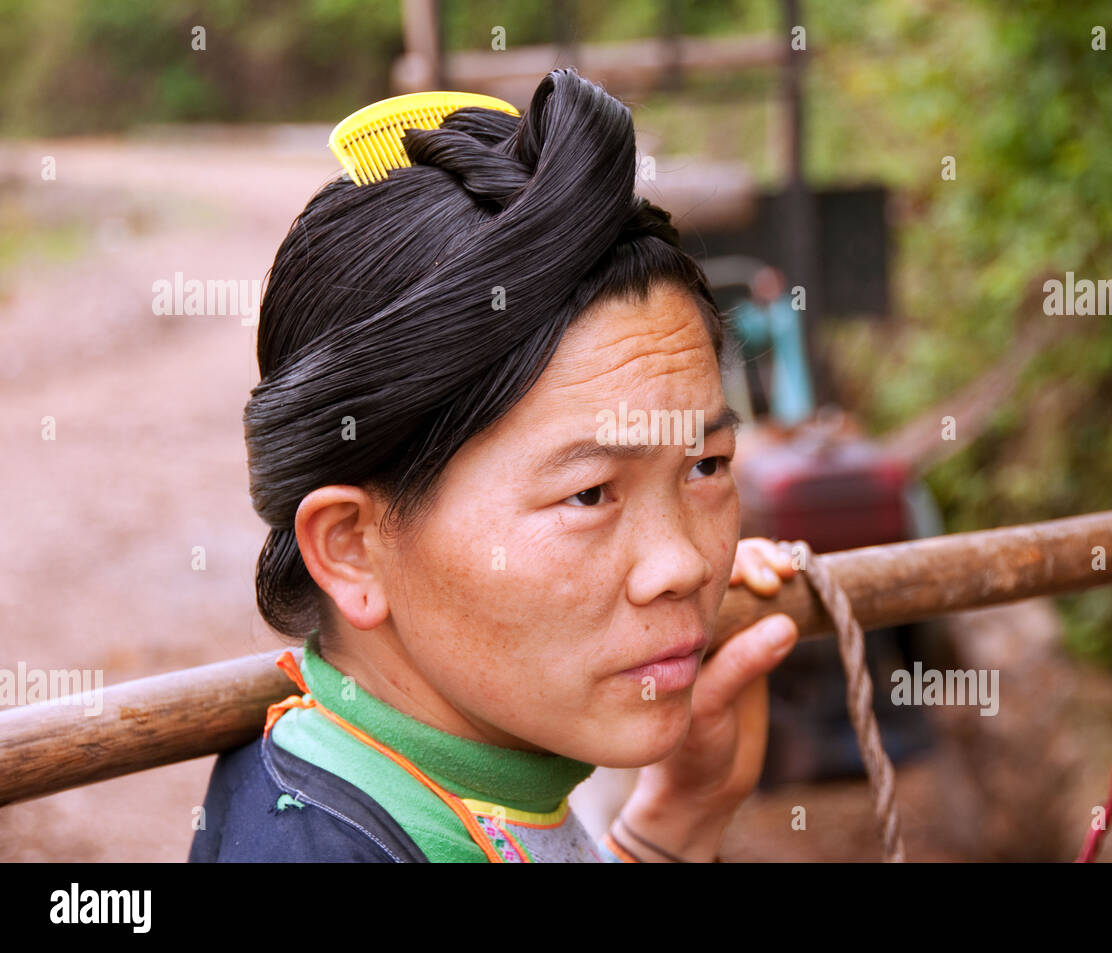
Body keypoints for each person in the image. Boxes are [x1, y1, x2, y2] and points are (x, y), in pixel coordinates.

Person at [189, 67, 801, 863]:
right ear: (351, 546)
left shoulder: (454, 791)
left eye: (706, 467)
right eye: (589, 493)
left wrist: (673, 827)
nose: (684, 564)